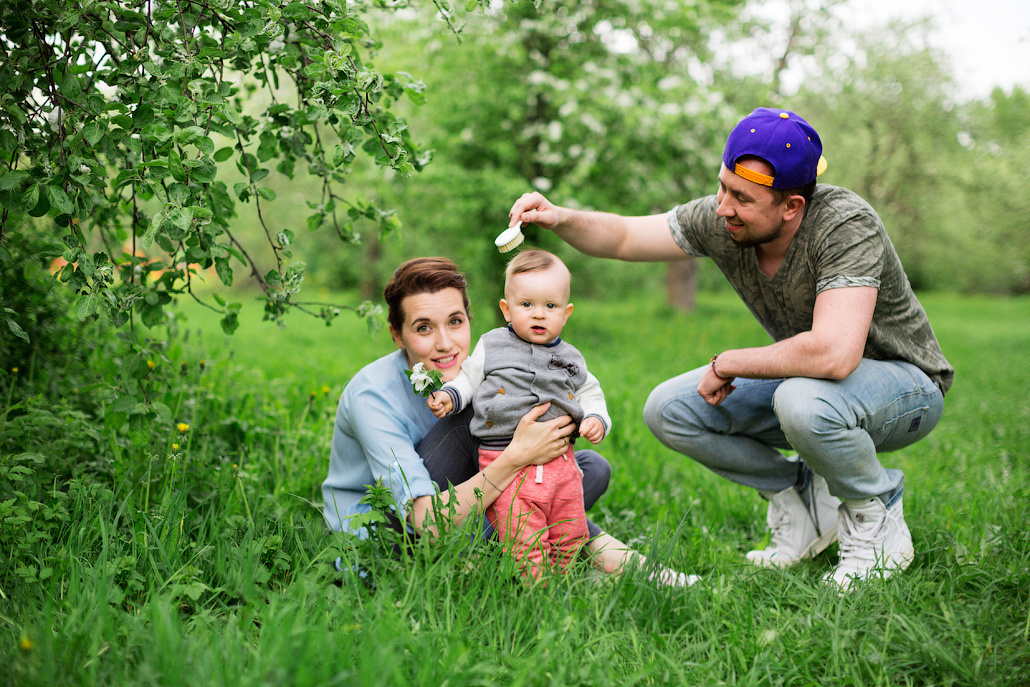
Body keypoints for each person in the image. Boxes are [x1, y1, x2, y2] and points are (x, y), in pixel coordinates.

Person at [507, 107, 953, 591]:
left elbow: (833, 354)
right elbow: (626, 236)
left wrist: (731, 363)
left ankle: (876, 516)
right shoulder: (726, 219)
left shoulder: (845, 226)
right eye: (722, 187)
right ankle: (798, 497)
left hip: (906, 387)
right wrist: (559, 218)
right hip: (817, 383)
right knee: (671, 409)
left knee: (800, 402)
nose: (722, 206)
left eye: (741, 197)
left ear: (792, 206)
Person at [321, 256, 697, 585]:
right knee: (481, 414)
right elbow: (425, 521)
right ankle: (572, 561)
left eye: (455, 321)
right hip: (392, 542)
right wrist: (516, 456)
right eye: (423, 328)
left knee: (588, 469)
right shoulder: (372, 396)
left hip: (469, 504)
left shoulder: (468, 374)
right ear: (397, 336)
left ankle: (572, 558)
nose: (445, 344)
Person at [427, 250, 610, 579]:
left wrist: (595, 418)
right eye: (527, 305)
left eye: (550, 307)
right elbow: (469, 377)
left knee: (570, 526)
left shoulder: (571, 357)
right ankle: (533, 590)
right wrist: (449, 396)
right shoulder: (492, 344)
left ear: (566, 314)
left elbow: (589, 391)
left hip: (560, 459)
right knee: (521, 531)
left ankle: (561, 578)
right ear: (506, 309)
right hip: (503, 458)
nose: (539, 315)